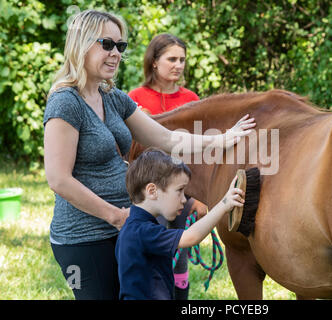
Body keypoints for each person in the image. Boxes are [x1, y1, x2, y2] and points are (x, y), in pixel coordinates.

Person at [43, 9, 255, 300]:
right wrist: (116, 216)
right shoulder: (65, 102)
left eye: (121, 46)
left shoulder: (111, 97)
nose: (116, 53)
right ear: (81, 43)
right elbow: (58, 178)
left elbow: (166, 139)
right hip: (85, 237)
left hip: (128, 229)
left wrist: (222, 139)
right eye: (107, 44)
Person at [128, 33, 206, 300]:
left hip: (184, 190)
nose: (179, 65)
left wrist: (196, 198)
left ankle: (180, 298)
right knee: (156, 251)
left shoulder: (193, 100)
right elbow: (130, 153)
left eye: (182, 59)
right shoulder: (135, 99)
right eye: (171, 59)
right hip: (149, 190)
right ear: (154, 62)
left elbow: (199, 156)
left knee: (180, 252)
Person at [116, 148, 245, 300]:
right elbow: (191, 237)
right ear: (152, 191)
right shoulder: (143, 232)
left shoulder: (132, 227)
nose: (184, 199)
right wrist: (224, 204)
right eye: (180, 191)